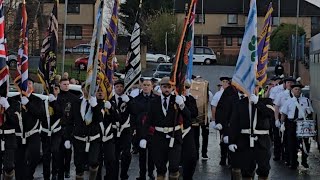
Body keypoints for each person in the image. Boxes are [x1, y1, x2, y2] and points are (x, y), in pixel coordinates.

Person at [144, 77, 191, 180]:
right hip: (158, 137)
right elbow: (148, 120)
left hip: (174, 136)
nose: (167, 89)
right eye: (164, 87)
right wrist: (143, 137)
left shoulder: (177, 100)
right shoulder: (154, 102)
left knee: (174, 166)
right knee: (160, 167)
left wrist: (182, 105)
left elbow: (188, 116)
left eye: (169, 87)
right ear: (160, 87)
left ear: (173, 88)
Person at [228, 85, 274, 180]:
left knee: (264, 168)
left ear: (259, 89)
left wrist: (257, 103)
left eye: (255, 87)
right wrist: (232, 141)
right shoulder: (240, 103)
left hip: (263, 140)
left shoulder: (266, 101)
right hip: (245, 139)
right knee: (246, 169)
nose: (253, 90)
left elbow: (270, 114)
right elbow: (234, 124)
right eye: (250, 87)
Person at [12, 79, 46, 180]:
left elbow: (41, 115)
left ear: (33, 87)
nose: (27, 85)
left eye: (29, 83)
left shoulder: (37, 100)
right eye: (25, 83)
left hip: (33, 134)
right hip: (18, 135)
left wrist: (28, 104)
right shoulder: (14, 99)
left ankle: (29, 175)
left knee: (35, 157)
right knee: (18, 162)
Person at [71, 84, 102, 179]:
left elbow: (100, 119)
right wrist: (68, 138)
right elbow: (70, 120)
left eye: (91, 88)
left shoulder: (98, 102)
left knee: (93, 161)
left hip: (93, 138)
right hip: (79, 138)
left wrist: (95, 106)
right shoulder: (76, 102)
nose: (88, 91)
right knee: (79, 166)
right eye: (86, 88)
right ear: (82, 89)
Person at [280, 82, 313, 169]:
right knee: (292, 144)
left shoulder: (306, 100)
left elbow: (310, 113)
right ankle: (293, 162)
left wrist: (309, 113)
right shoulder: (288, 101)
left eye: (299, 89)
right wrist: (281, 124)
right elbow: (283, 114)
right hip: (292, 124)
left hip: (303, 124)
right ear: (292, 91)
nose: (297, 91)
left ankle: (304, 161)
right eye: (295, 89)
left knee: (306, 143)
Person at [109, 80, 134, 180]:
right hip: (113, 130)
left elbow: (134, 111)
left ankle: (124, 174)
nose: (119, 88)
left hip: (125, 131)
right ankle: (114, 176)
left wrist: (128, 101)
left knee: (126, 155)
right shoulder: (110, 99)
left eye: (121, 86)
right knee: (113, 156)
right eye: (117, 86)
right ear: (114, 88)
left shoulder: (130, 99)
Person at [210, 76, 238, 166]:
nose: (225, 83)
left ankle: (230, 159)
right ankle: (223, 158)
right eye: (223, 81)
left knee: (231, 139)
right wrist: (215, 120)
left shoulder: (234, 93)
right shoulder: (218, 94)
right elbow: (214, 107)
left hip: (231, 121)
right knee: (223, 141)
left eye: (227, 81)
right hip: (223, 121)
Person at [54, 78, 78, 179]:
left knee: (68, 151)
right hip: (58, 128)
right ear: (60, 85)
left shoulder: (73, 98)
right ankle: (58, 171)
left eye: (68, 84)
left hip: (69, 128)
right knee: (58, 153)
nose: (66, 86)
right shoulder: (57, 97)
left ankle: (67, 170)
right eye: (64, 84)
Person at [134, 78, 157, 180]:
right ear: (141, 86)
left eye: (148, 85)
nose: (146, 87)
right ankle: (142, 174)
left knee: (152, 154)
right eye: (144, 85)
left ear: (152, 86)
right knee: (142, 155)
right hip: (140, 130)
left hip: (153, 131)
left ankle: (151, 172)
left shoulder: (156, 99)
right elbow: (134, 115)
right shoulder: (137, 99)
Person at [41, 86, 63, 180]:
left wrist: (54, 102)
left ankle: (54, 173)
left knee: (55, 151)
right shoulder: (42, 100)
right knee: (46, 155)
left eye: (56, 89)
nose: (54, 91)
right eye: (52, 89)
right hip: (45, 132)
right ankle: (46, 175)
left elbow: (60, 113)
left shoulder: (61, 100)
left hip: (56, 131)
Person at [273, 77, 295, 163]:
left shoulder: (296, 94)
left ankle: (287, 157)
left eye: (291, 82)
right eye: (288, 82)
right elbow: (276, 107)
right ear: (285, 84)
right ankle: (277, 155)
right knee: (278, 138)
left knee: (288, 139)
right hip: (281, 117)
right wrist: (276, 119)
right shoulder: (281, 95)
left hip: (291, 119)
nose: (290, 84)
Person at [96, 87, 117, 180]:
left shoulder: (110, 104)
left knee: (111, 160)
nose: (100, 93)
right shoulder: (92, 104)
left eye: (102, 90)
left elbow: (117, 119)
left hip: (109, 137)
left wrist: (111, 108)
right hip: (96, 138)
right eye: (98, 91)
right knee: (97, 162)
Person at [0, 96, 20, 180]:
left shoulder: (14, 103)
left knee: (9, 166)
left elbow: (15, 121)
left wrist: (7, 106)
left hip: (9, 138)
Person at [181, 80, 198, 179]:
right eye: (183, 88)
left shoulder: (191, 99)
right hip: (174, 130)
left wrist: (185, 102)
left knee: (192, 156)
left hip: (187, 130)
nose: (185, 90)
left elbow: (194, 113)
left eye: (187, 88)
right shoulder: (174, 99)